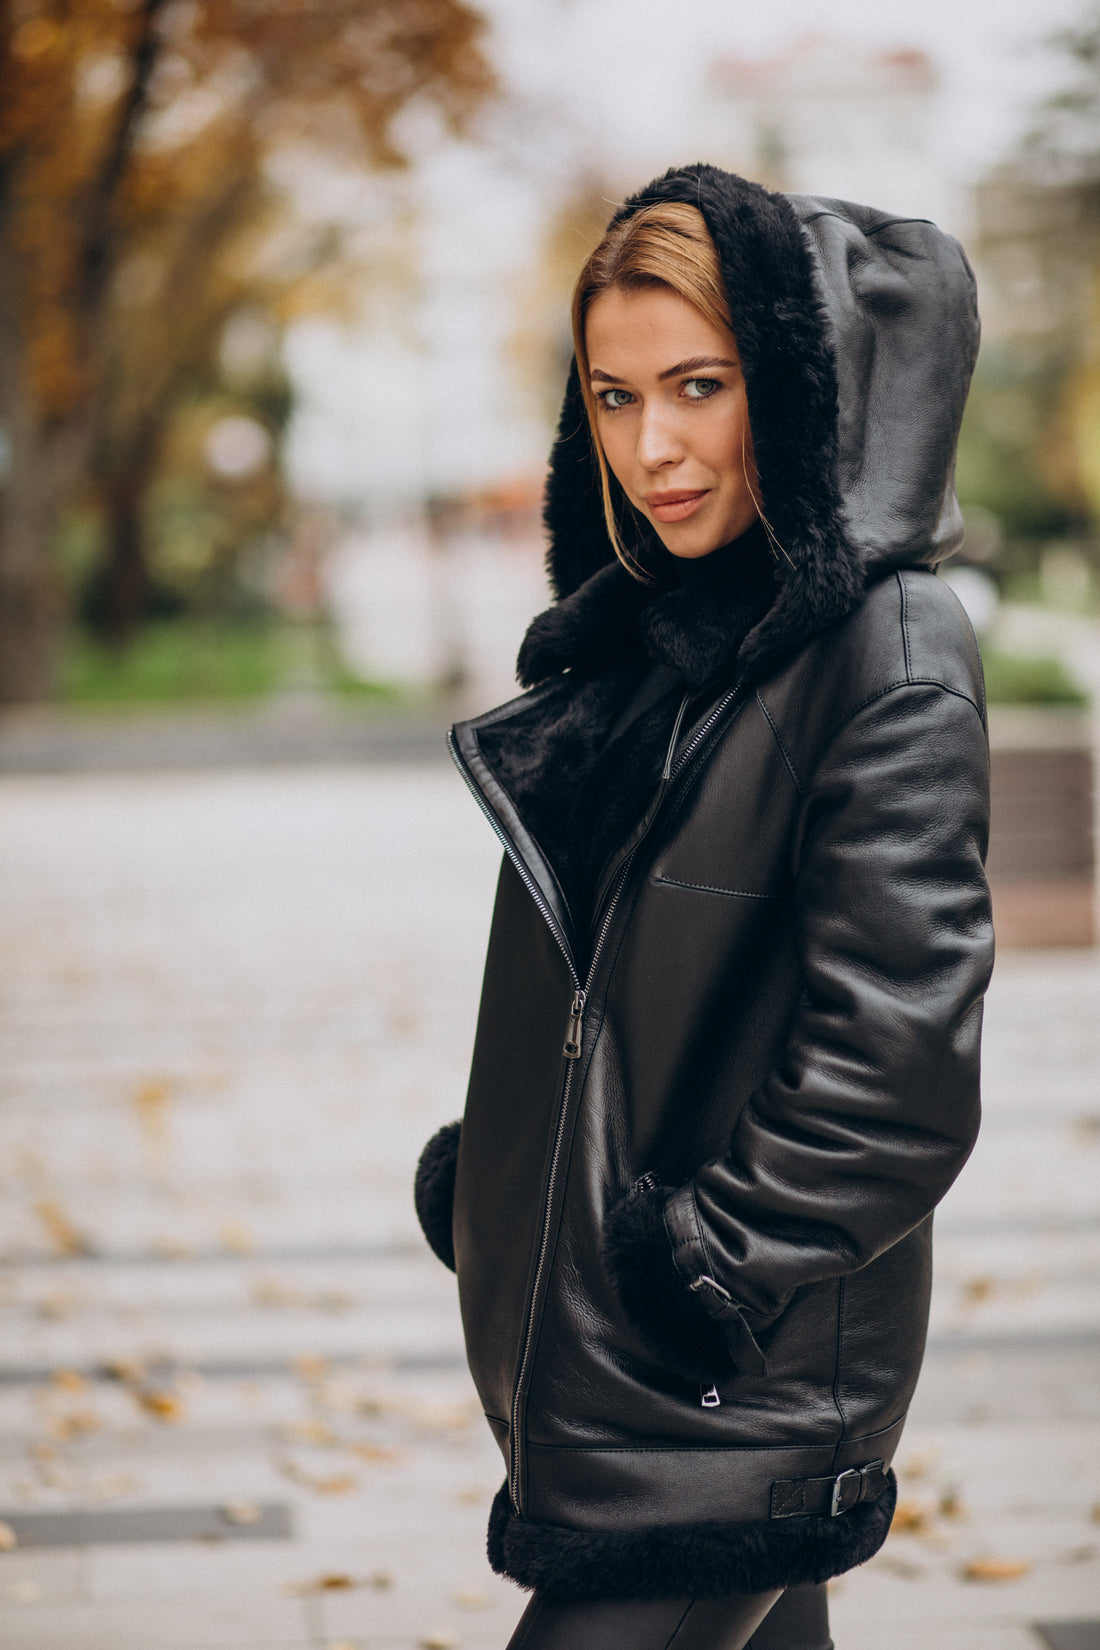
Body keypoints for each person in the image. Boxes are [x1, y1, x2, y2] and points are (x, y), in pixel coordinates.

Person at [414, 164, 994, 1650]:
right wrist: (507, 1175)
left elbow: (901, 1063)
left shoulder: (888, 641)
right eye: (613, 398)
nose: (654, 447)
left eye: (698, 385)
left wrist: (704, 1262)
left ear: (797, 391)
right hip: (666, 1367)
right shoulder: (661, 646)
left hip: (736, 1376)